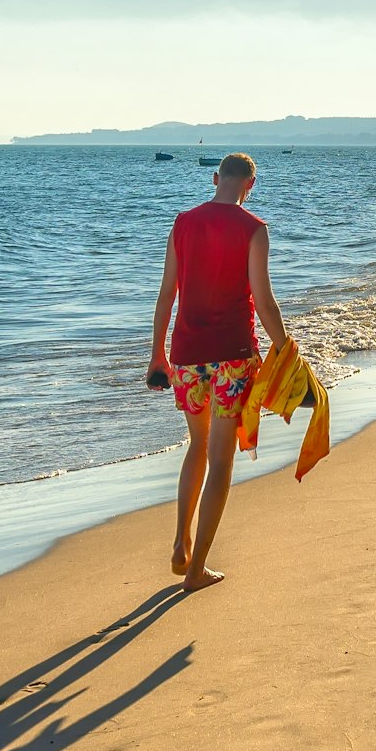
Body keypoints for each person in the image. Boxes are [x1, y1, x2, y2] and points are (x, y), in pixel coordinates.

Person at [147, 152, 291, 592]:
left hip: (186, 355)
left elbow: (166, 295)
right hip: (232, 356)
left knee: (196, 446)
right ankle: (196, 570)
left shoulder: (183, 222)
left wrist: (158, 355)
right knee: (222, 460)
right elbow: (263, 302)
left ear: (215, 178)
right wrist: (286, 350)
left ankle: (179, 542)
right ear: (251, 184)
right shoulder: (254, 229)